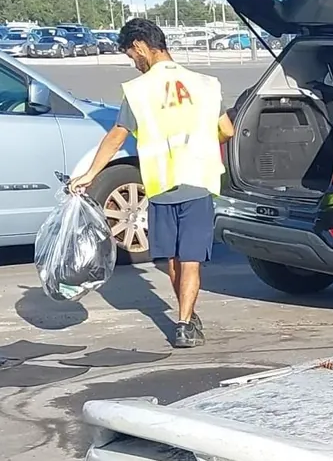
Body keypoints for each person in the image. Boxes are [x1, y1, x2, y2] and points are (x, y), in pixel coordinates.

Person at [69, 18, 234, 349]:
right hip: (198, 181)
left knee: (172, 259)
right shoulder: (205, 84)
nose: (134, 62)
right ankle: (185, 323)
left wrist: (89, 174)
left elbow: (117, 137)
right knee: (191, 258)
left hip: (161, 185)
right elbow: (227, 131)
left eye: (131, 55)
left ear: (140, 46)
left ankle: (186, 316)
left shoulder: (139, 91)